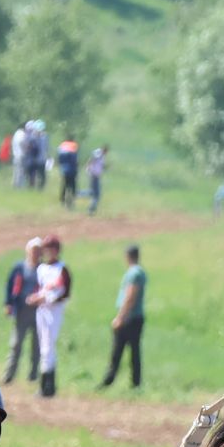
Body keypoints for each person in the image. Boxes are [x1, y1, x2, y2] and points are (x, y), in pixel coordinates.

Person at [27, 234, 70, 398]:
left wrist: (48, 298)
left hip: (54, 310)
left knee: (49, 346)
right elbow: (40, 288)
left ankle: (48, 385)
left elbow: (64, 292)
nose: (48, 252)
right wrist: (36, 298)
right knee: (43, 346)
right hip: (42, 310)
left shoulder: (61, 269)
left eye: (51, 249)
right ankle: (45, 385)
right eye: (46, 249)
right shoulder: (42, 268)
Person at [102, 244, 146, 390]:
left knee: (118, 350)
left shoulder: (134, 273)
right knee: (134, 351)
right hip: (136, 316)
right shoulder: (140, 272)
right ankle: (135, 383)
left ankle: (110, 380)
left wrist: (120, 317)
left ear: (128, 257)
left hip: (129, 317)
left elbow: (130, 296)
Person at [3, 236, 43, 385]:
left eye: (38, 251)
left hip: (39, 312)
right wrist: (8, 303)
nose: (36, 253)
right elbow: (10, 285)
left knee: (37, 344)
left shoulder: (44, 269)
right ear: (27, 251)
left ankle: (33, 375)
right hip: (22, 310)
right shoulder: (19, 267)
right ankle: (9, 374)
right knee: (16, 343)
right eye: (33, 251)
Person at [56, 135, 80, 208]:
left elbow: (59, 159)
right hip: (72, 170)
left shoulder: (63, 145)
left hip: (64, 170)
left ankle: (62, 200)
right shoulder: (74, 146)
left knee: (65, 185)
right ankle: (72, 200)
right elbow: (75, 160)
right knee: (72, 185)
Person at [86, 145, 107, 214]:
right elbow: (91, 160)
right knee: (96, 194)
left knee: (94, 193)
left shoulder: (102, 156)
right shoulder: (98, 153)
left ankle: (91, 208)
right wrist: (89, 169)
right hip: (94, 175)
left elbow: (101, 165)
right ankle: (91, 209)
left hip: (96, 176)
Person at [10, 124, 30, 188]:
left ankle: (15, 184)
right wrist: (26, 149)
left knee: (16, 171)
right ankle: (19, 186)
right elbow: (22, 143)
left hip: (15, 155)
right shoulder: (22, 134)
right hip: (21, 155)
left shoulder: (16, 133)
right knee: (20, 171)